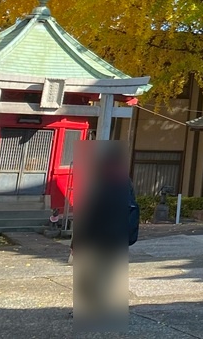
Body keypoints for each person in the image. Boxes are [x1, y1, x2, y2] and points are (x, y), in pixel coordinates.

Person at [71, 141, 136, 332]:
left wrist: (77, 242)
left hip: (97, 235)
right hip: (117, 235)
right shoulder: (126, 183)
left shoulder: (97, 183)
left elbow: (88, 214)